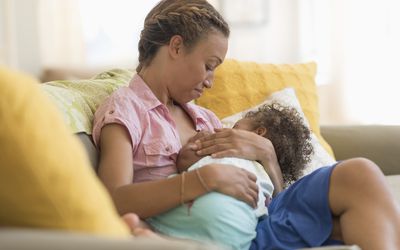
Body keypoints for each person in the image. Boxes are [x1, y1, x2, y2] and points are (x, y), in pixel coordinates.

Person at [92, 0, 400, 249]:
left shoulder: (204, 117)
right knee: (343, 224)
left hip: (258, 220)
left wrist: (267, 156)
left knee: (360, 175)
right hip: (211, 228)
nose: (210, 82)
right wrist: (201, 180)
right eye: (208, 66)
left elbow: (269, 198)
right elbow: (112, 198)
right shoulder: (126, 109)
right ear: (175, 47)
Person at [146, 102, 314, 250]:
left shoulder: (225, 149)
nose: (226, 131)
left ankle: (150, 234)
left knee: (146, 216)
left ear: (259, 132)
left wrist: (197, 141)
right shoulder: (268, 183)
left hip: (200, 213)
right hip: (236, 237)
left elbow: (185, 160)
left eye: (235, 128)